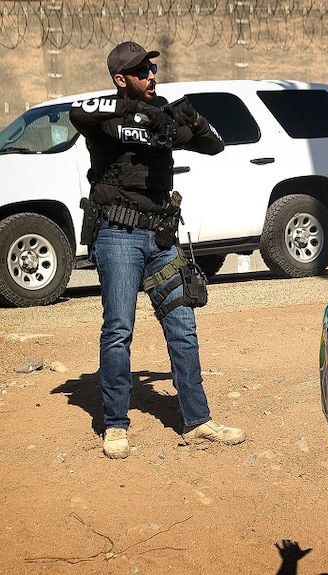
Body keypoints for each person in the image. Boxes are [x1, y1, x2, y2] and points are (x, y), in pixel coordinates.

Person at [69, 41, 245, 459]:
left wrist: (190, 117)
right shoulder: (104, 116)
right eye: (142, 71)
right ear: (121, 78)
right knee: (119, 330)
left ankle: (198, 420)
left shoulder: (163, 114)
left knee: (182, 327)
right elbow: (78, 113)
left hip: (162, 238)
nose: (151, 76)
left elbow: (213, 144)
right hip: (118, 236)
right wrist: (141, 116)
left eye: (152, 68)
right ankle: (115, 424)